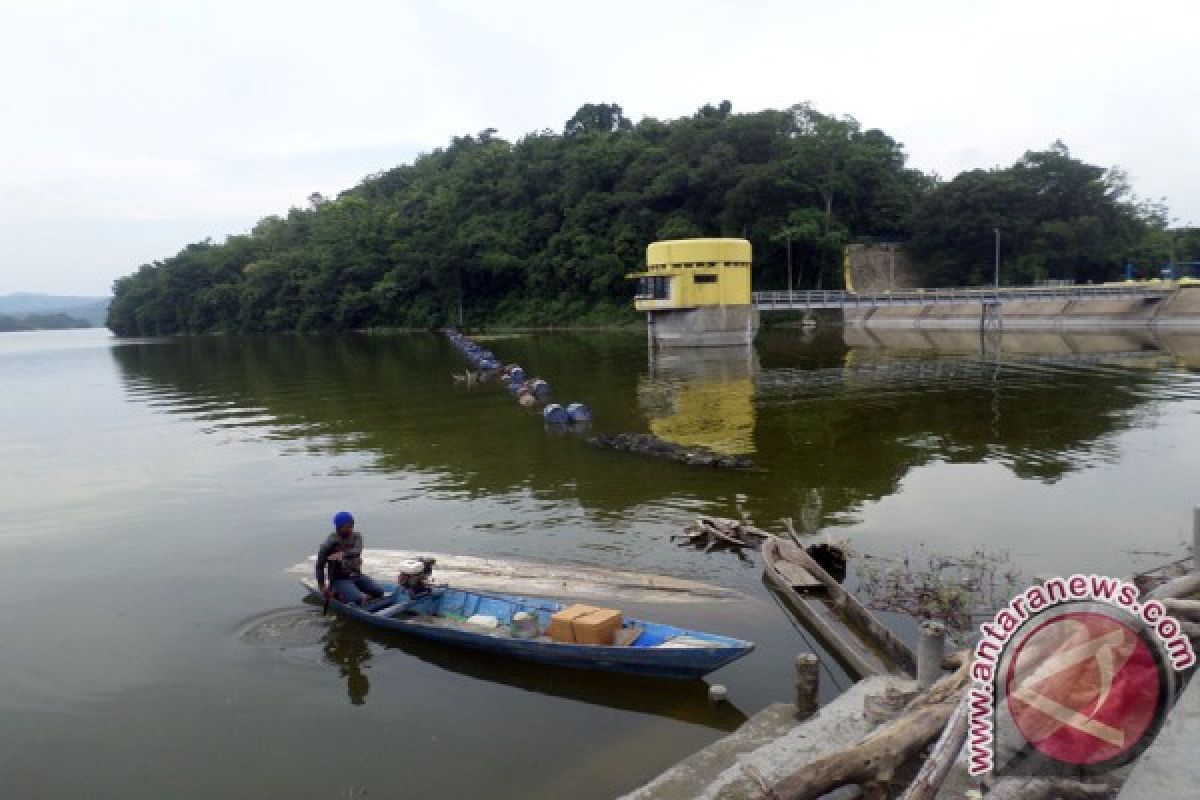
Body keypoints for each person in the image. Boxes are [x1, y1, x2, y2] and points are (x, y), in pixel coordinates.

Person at [316, 511, 385, 607]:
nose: (350, 529)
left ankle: (352, 592)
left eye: (351, 526)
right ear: (339, 527)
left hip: (356, 575)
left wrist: (343, 554)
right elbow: (319, 566)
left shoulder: (357, 536)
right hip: (339, 579)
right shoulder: (329, 543)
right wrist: (322, 587)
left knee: (379, 592)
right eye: (347, 527)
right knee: (358, 600)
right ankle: (337, 593)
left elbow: (357, 551)